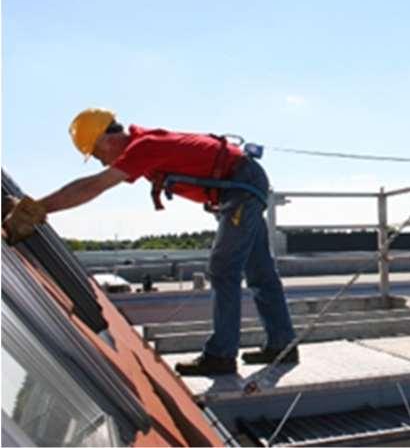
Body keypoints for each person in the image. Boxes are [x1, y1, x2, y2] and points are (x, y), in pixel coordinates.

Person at [2, 108, 297, 376]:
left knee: (223, 268)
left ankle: (221, 355)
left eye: (95, 152)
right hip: (243, 184)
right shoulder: (147, 145)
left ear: (106, 139)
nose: (100, 160)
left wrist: (38, 208)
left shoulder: (143, 147)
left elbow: (94, 186)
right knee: (260, 272)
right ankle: (283, 347)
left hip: (240, 187)